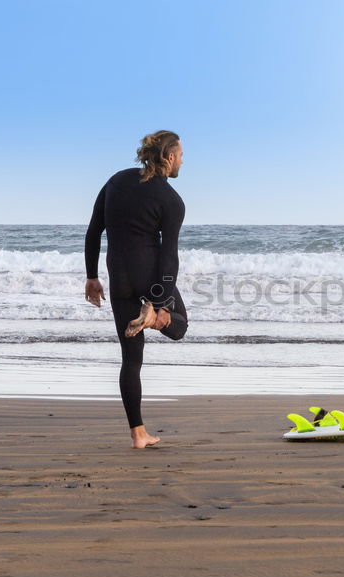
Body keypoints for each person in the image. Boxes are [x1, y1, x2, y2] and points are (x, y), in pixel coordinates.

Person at [83, 130, 189, 449]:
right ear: (169, 157)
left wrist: (92, 277)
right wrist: (161, 302)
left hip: (118, 277)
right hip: (149, 274)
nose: (183, 159)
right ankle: (153, 317)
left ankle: (138, 434)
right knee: (179, 327)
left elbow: (93, 231)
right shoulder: (171, 200)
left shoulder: (116, 180)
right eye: (181, 154)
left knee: (131, 359)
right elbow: (169, 256)